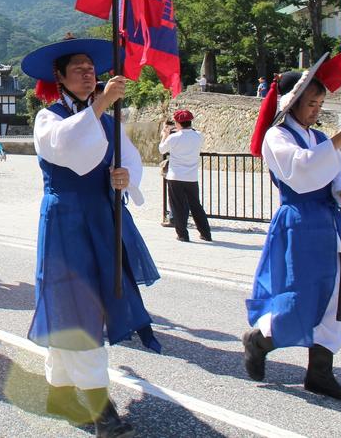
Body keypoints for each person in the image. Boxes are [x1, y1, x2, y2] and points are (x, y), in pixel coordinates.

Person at [22, 39, 158, 433]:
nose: (87, 73)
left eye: (90, 68)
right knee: (77, 302)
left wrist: (123, 178)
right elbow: (66, 147)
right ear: (59, 78)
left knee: (85, 302)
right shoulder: (47, 118)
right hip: (67, 217)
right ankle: (100, 407)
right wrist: (100, 105)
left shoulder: (109, 120)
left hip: (101, 215)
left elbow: (128, 161)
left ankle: (60, 388)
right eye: (77, 69)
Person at [244, 63, 341, 402]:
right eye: (311, 104)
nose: (316, 111)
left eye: (320, 105)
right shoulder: (277, 135)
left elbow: (338, 173)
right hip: (298, 222)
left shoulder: (319, 138)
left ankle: (320, 373)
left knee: (334, 297)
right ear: (292, 103)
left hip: (328, 224)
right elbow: (301, 171)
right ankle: (260, 340)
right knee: (299, 296)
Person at [158, 110, 212, 242]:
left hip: (175, 175)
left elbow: (162, 149)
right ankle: (205, 233)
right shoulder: (198, 135)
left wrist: (165, 135)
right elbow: (192, 133)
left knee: (178, 206)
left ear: (177, 123)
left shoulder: (174, 137)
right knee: (195, 206)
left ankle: (182, 234)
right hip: (191, 177)